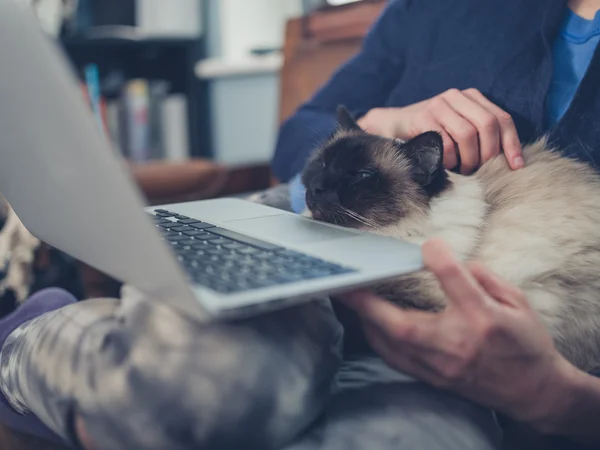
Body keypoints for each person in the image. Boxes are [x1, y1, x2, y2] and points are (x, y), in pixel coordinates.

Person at [3, 0, 600, 449]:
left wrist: (556, 397)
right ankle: (22, 346)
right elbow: (298, 133)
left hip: (476, 346)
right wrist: (378, 119)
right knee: (219, 379)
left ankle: (65, 339)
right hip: (306, 222)